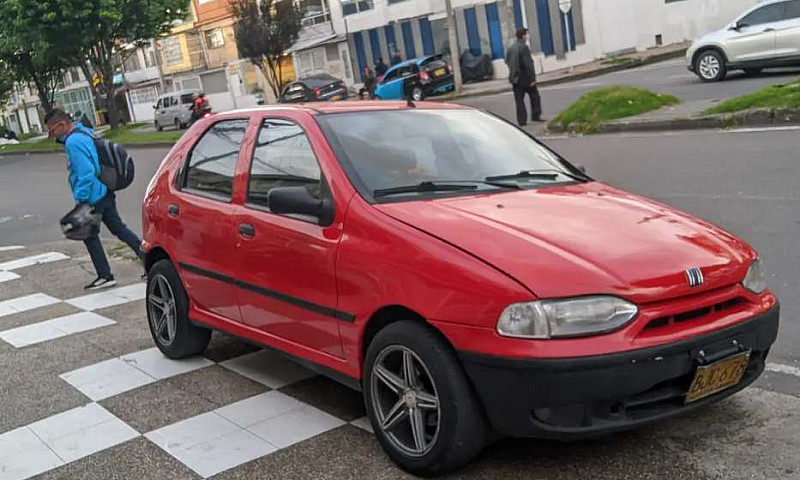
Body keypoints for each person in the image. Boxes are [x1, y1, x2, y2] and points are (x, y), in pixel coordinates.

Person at [45, 108, 143, 290]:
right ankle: (148, 261)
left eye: (51, 130)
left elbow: (86, 173)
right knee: (119, 229)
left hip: (93, 196)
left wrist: (82, 200)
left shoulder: (73, 142)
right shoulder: (84, 132)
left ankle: (105, 275)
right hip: (104, 191)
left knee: (89, 235)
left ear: (61, 125)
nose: (51, 135)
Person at [506, 28, 543, 125]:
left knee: (519, 101)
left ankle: (521, 120)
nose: (527, 36)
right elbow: (528, 64)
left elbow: (507, 61)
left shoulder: (511, 48)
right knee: (534, 96)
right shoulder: (524, 47)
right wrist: (532, 79)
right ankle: (536, 115)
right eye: (526, 34)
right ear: (523, 36)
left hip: (515, 79)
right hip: (525, 77)